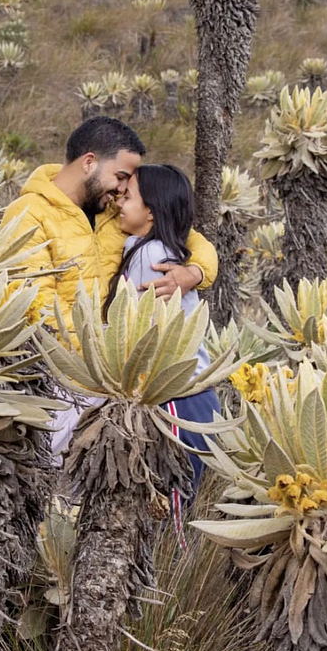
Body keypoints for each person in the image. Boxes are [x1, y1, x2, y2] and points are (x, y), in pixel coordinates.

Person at [1, 117, 219, 460]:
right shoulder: (28, 215)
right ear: (89, 162)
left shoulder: (112, 212)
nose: (121, 191)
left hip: (124, 378)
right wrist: (101, 367)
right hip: (69, 379)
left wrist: (194, 272)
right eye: (120, 177)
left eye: (127, 185)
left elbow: (187, 233)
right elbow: (39, 309)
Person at [104, 164, 222, 518]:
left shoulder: (150, 256)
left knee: (171, 511)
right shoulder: (152, 248)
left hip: (174, 397)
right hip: (193, 395)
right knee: (182, 505)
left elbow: (139, 330)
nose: (119, 204)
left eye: (128, 197)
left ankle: (175, 573)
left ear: (152, 211)